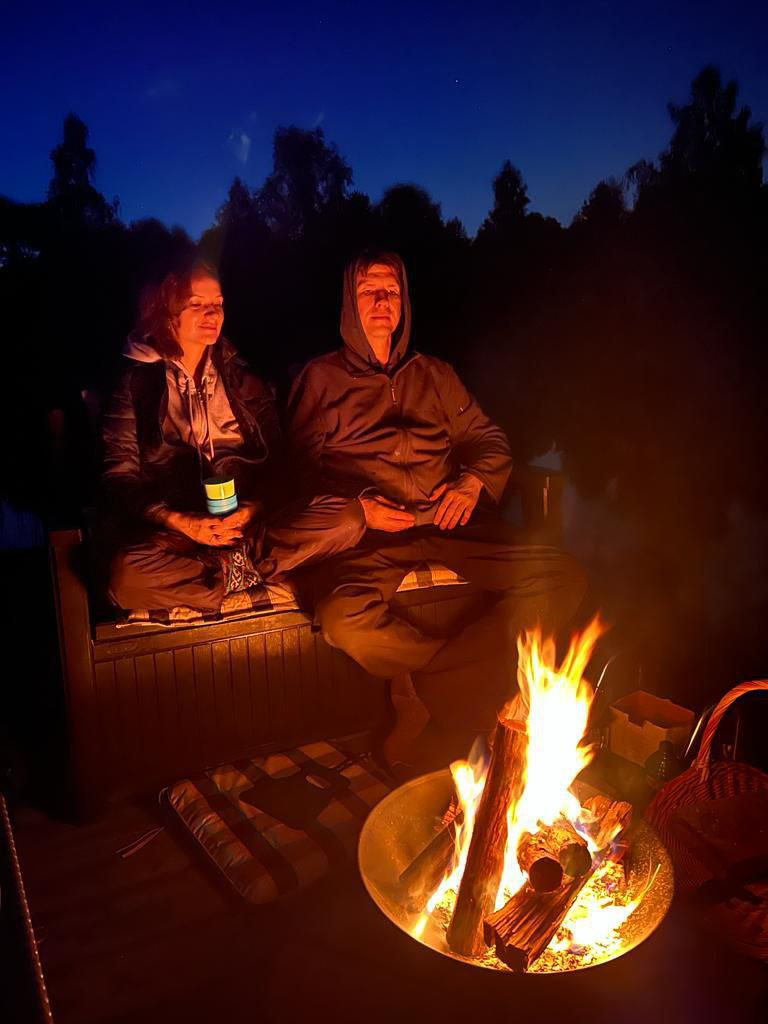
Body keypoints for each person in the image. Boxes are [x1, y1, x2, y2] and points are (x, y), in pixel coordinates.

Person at [288, 250, 587, 772]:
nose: (382, 301)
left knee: (564, 578)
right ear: (350, 303)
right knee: (341, 620)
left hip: (452, 523)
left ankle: (428, 677)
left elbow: (489, 440)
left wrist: (472, 483)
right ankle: (452, 675)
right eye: (369, 291)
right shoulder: (320, 380)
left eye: (391, 291)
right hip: (371, 535)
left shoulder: (436, 375)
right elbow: (294, 475)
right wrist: (360, 510)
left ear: (404, 301)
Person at [104, 258, 360, 611]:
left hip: (250, 527)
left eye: (218, 303)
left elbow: (281, 464)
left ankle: (226, 573)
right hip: (179, 534)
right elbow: (119, 478)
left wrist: (255, 507)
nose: (212, 313)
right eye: (197, 304)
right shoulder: (135, 384)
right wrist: (178, 520)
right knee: (125, 577)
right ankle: (243, 571)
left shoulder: (244, 379)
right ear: (167, 313)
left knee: (348, 517)